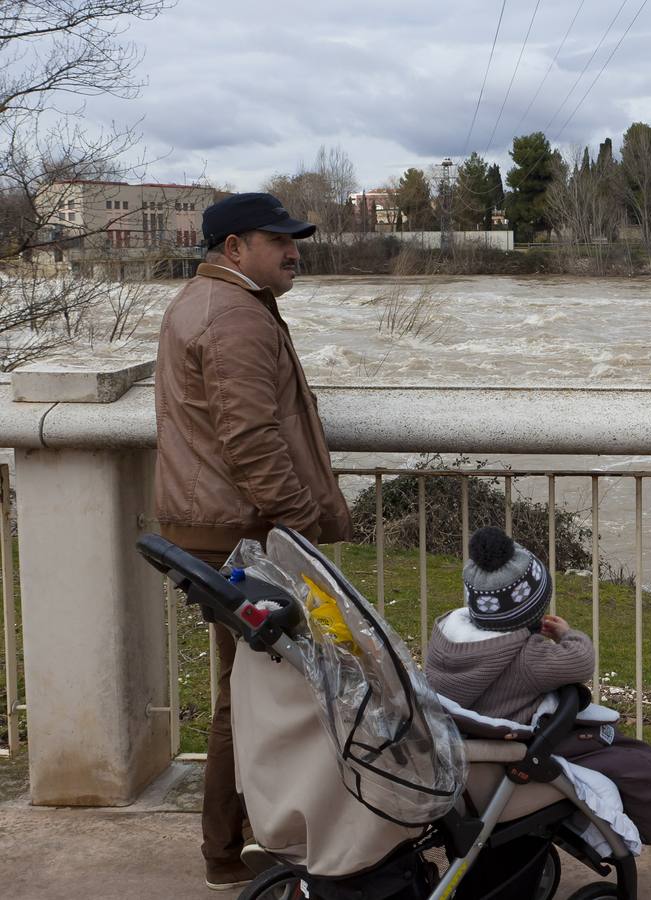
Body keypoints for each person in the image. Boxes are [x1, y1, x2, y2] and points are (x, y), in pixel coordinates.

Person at [154, 192, 353, 891]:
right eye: (279, 240)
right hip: (243, 534)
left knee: (252, 690)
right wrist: (301, 525)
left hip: (223, 526)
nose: (295, 249)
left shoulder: (211, 303)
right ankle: (232, 850)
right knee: (257, 696)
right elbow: (251, 440)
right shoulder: (235, 317)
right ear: (234, 248)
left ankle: (245, 842)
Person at [425, 527, 651, 846]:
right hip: (512, 760)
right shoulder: (528, 658)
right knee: (629, 758)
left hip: (465, 760)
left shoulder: (445, 638)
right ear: (533, 611)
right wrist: (568, 634)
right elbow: (581, 660)